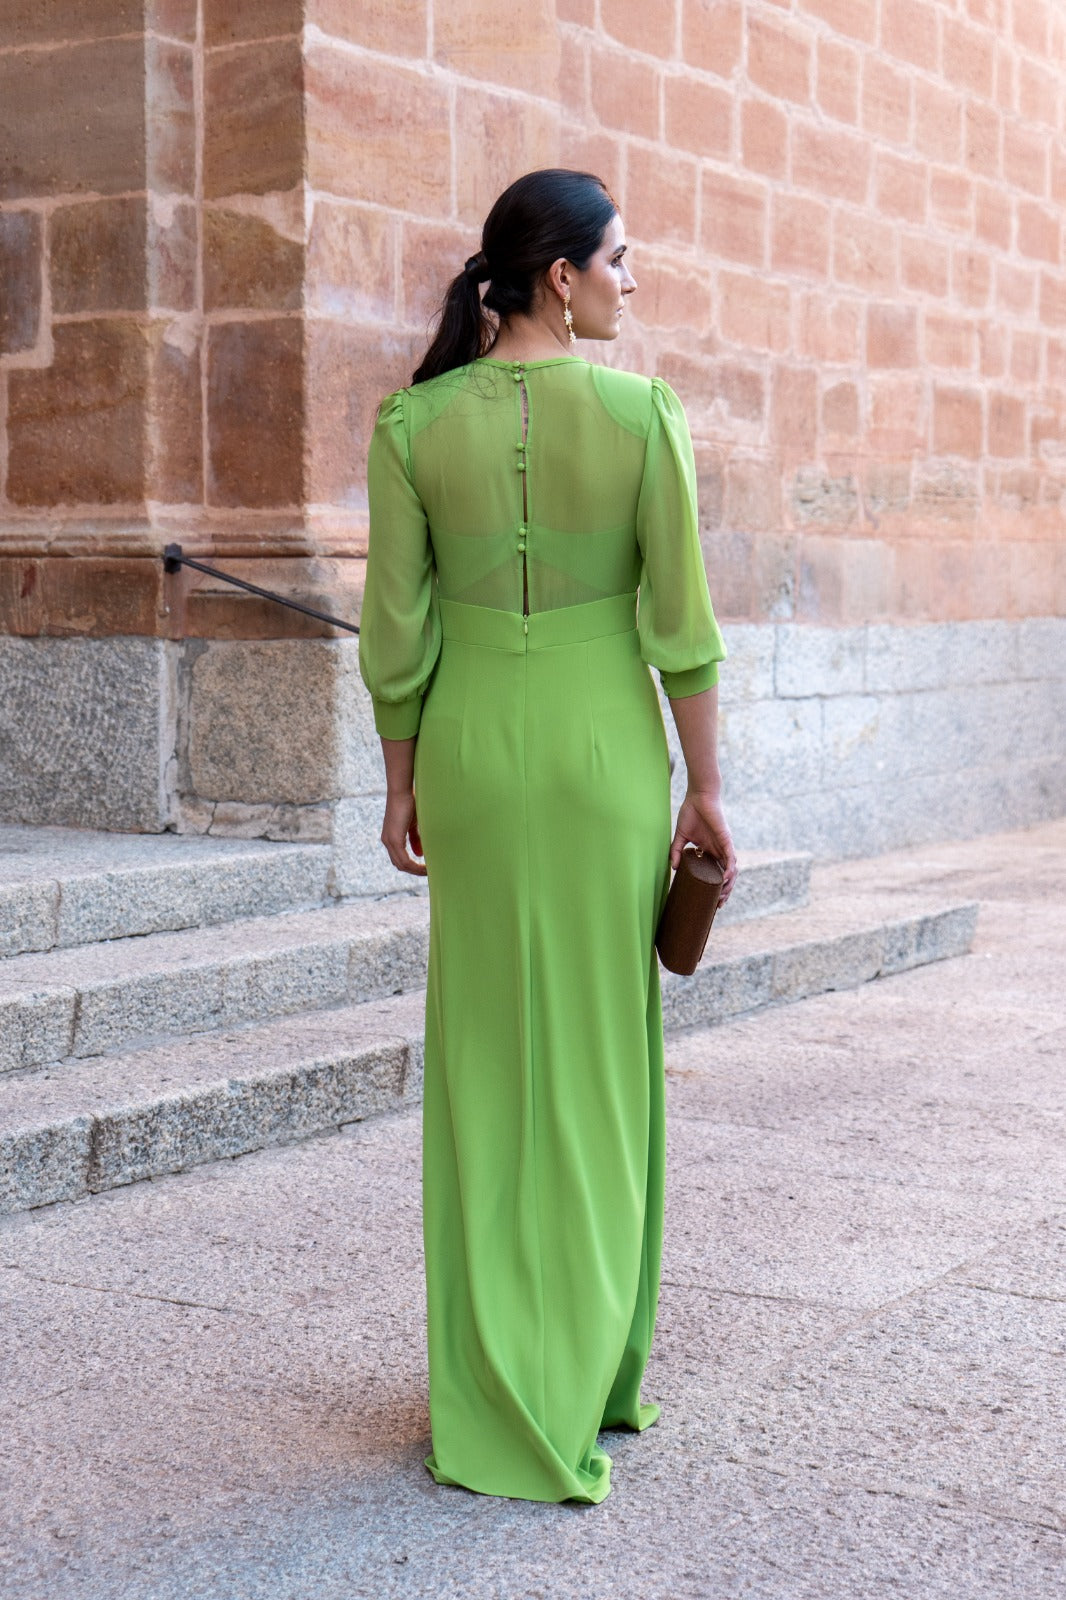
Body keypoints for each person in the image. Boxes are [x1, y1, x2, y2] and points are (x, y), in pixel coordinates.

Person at [358, 168, 736, 1504]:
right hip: (600, 760)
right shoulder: (642, 415)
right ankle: (585, 1369)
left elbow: (397, 630)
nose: (635, 281)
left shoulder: (412, 423)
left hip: (469, 754)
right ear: (561, 277)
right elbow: (680, 627)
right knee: (597, 1064)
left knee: (485, 1062)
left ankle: (494, 1380)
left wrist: (398, 782)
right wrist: (706, 788)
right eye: (621, 259)